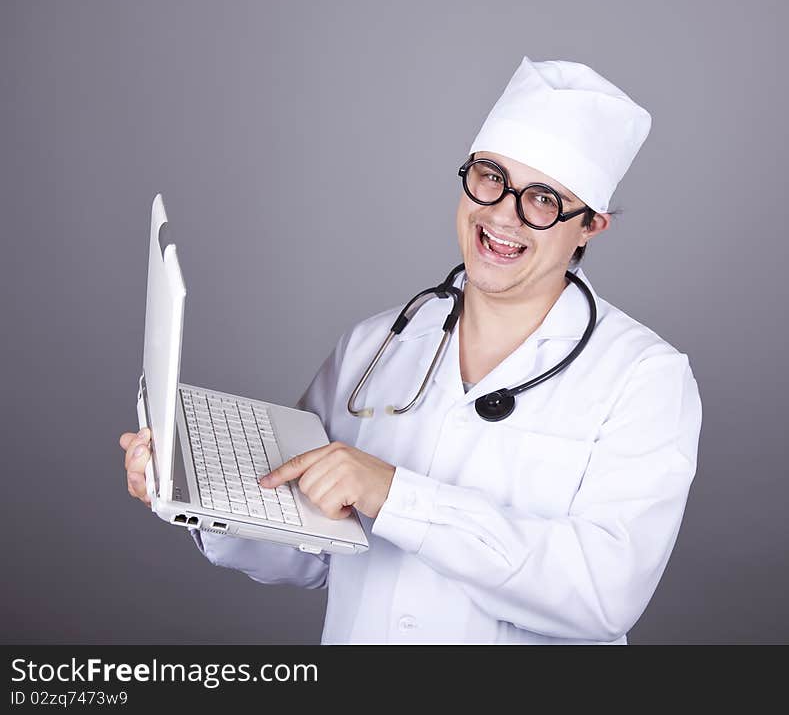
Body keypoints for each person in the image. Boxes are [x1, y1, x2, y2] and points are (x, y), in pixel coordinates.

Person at [120, 56, 702, 644]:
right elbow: (311, 552)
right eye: (490, 176)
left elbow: (603, 595)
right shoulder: (376, 345)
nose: (503, 213)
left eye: (544, 199)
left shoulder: (645, 377)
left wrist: (395, 494)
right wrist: (195, 493)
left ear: (590, 227)